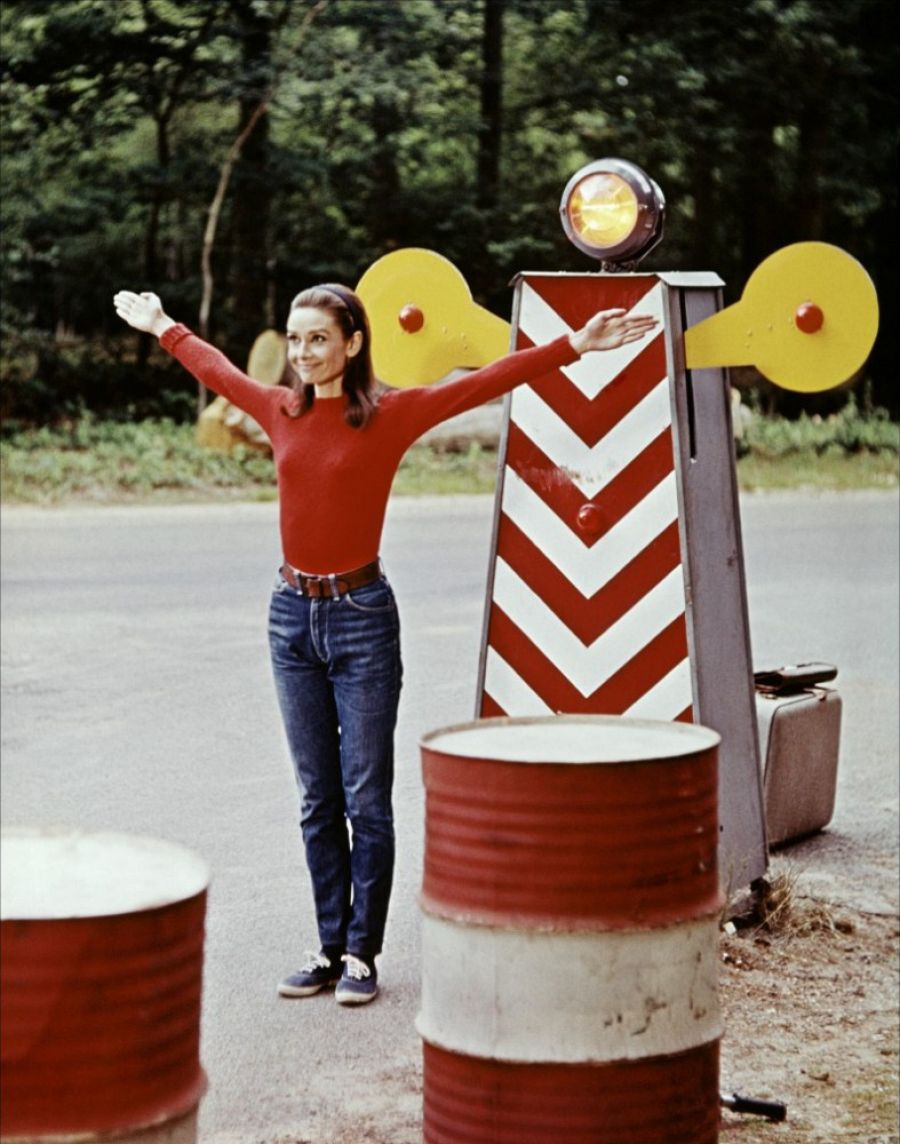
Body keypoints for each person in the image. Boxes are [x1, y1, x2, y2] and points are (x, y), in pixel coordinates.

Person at [113, 282, 657, 1006]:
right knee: (317, 797)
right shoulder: (280, 411)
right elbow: (218, 371)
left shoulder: (391, 415)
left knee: (367, 796)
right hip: (290, 619)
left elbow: (486, 382)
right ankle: (327, 944)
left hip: (362, 617)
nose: (304, 353)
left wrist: (574, 346)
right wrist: (162, 327)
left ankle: (363, 954)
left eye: (318, 339)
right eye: (296, 339)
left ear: (354, 343)